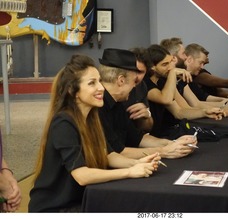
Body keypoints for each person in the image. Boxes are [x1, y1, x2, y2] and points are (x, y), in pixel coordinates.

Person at [28, 54, 161, 212]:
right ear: (73, 90)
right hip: (54, 209)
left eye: (99, 81)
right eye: (92, 83)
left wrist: (138, 163)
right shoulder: (63, 123)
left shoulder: (92, 118)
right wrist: (129, 172)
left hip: (81, 200)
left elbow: (108, 156)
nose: (100, 87)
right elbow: (82, 175)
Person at [98, 48, 197, 160]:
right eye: (133, 81)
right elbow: (116, 152)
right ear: (121, 81)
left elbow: (137, 138)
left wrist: (172, 143)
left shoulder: (117, 103)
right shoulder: (97, 107)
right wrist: (164, 151)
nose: (135, 86)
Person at [144, 44, 225, 138]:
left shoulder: (162, 82)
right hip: (148, 137)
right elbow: (165, 99)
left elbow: (179, 112)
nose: (170, 67)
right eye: (165, 64)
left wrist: (205, 112)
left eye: (170, 62)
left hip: (162, 134)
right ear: (152, 67)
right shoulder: (145, 83)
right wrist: (173, 73)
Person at [160, 38, 228, 117]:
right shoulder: (164, 81)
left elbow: (195, 103)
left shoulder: (179, 77)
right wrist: (222, 109)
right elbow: (181, 112)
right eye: (183, 54)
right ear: (174, 57)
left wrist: (224, 105)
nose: (186, 57)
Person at [122, 47, 154, 133]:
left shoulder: (142, 86)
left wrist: (147, 116)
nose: (135, 76)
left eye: (140, 72)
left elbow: (147, 127)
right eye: (132, 70)